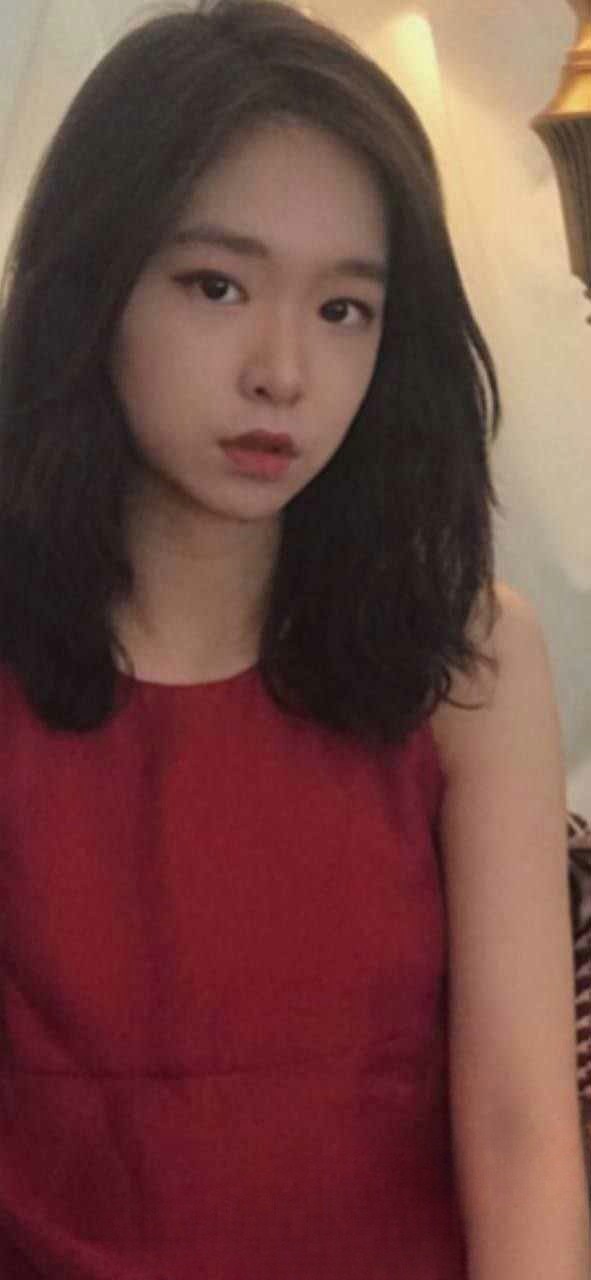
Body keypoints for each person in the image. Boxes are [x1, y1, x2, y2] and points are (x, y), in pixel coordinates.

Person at [0, 1, 587, 1277]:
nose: (284, 371)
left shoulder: (471, 662)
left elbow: (522, 1125)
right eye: (216, 286)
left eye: (345, 309)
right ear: (94, 286)